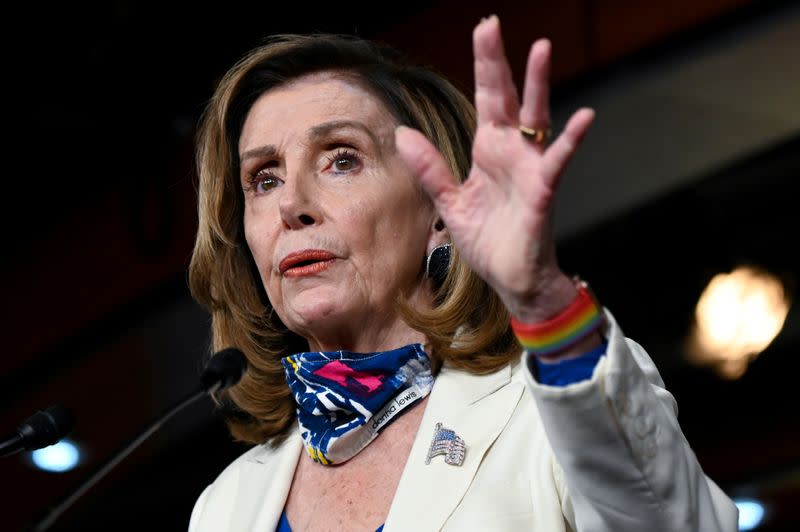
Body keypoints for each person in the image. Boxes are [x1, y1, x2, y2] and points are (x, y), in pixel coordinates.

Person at [186, 14, 738, 532]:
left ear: (440, 209)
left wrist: (543, 299)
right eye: (263, 178)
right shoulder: (224, 506)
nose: (291, 205)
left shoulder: (551, 408)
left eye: (342, 158)